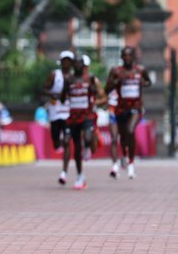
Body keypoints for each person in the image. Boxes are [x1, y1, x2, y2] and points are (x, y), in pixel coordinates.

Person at [105, 46, 151, 179]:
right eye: (125, 55)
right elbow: (106, 89)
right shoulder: (116, 71)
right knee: (123, 137)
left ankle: (131, 164)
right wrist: (115, 82)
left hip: (136, 107)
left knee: (131, 131)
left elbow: (148, 82)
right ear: (121, 57)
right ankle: (124, 156)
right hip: (120, 108)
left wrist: (143, 82)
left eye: (130, 55)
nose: (127, 58)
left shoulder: (140, 70)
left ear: (133, 57)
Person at [61, 55, 106, 189]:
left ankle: (88, 147)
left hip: (87, 115)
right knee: (75, 147)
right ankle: (80, 175)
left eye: (81, 64)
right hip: (73, 116)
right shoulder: (69, 80)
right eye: (76, 64)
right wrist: (65, 91)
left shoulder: (91, 79)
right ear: (73, 65)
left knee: (87, 136)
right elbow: (63, 98)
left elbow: (102, 96)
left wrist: (93, 100)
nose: (78, 66)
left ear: (84, 66)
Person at [43, 50, 73, 184]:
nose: (66, 63)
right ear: (61, 62)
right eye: (64, 60)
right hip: (55, 113)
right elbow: (44, 89)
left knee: (67, 142)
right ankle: (57, 143)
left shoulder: (74, 78)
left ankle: (64, 172)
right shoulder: (55, 75)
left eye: (69, 60)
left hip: (68, 113)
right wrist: (53, 95)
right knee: (56, 141)